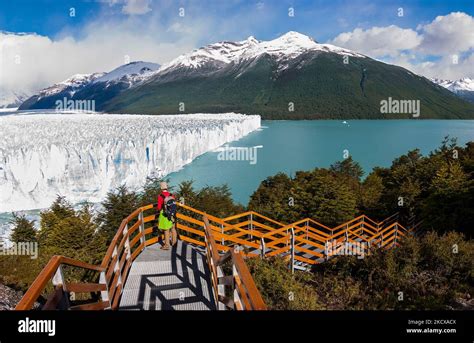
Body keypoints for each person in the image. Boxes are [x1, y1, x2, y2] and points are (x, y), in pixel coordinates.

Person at [157, 182, 177, 250]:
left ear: (161, 188)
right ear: (167, 187)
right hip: (172, 214)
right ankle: (174, 243)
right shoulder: (171, 195)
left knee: (166, 230)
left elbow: (159, 208)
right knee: (173, 228)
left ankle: (166, 245)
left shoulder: (160, 196)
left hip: (165, 214)